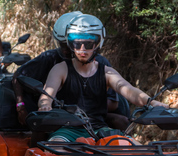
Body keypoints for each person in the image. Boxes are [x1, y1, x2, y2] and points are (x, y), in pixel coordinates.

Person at [37, 14, 169, 142]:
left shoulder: (107, 72)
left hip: (99, 130)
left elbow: (128, 89)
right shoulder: (61, 69)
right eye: (76, 43)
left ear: (97, 44)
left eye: (88, 44)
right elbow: (47, 94)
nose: (82, 49)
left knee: (135, 148)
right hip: (66, 130)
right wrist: (45, 105)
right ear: (70, 44)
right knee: (56, 148)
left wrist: (151, 102)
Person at [12, 11, 128, 129]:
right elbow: (19, 75)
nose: (65, 51)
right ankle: (39, 147)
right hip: (59, 116)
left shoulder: (101, 64)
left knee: (122, 122)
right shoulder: (49, 59)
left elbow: (114, 102)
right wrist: (20, 106)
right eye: (63, 46)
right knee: (42, 123)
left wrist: (85, 108)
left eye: (71, 45)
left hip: (94, 117)